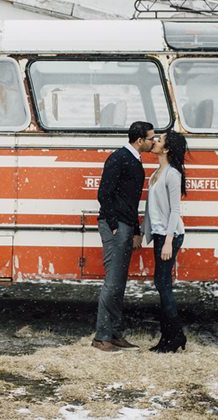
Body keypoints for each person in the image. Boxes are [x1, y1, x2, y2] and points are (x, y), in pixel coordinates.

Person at [92, 121, 156, 353]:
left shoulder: (134, 159)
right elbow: (104, 193)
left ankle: (115, 334)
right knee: (113, 282)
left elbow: (130, 201)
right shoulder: (119, 158)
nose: (154, 142)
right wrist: (114, 225)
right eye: (151, 138)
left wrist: (135, 230)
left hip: (125, 225)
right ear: (139, 140)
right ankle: (102, 337)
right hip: (115, 225)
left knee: (119, 283)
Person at [139, 130, 189, 353]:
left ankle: (175, 336)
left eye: (159, 141)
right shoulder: (156, 173)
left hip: (171, 236)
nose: (155, 142)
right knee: (161, 285)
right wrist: (143, 232)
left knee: (163, 285)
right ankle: (170, 337)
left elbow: (175, 211)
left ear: (166, 149)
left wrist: (168, 241)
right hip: (160, 235)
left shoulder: (172, 174)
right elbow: (152, 210)